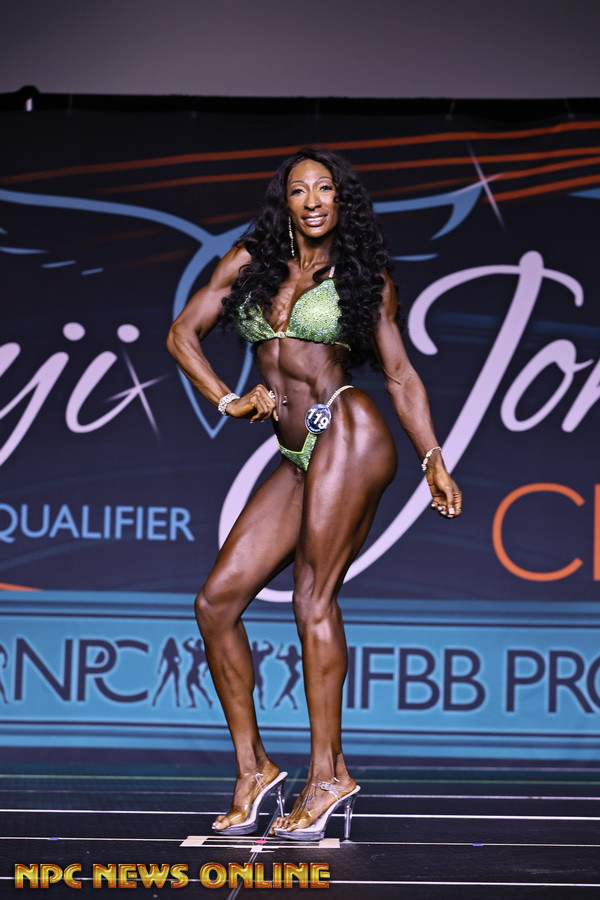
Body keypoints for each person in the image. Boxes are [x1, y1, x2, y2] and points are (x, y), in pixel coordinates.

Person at [166, 146, 462, 841]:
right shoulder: (250, 262)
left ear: (341, 198)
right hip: (296, 454)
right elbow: (182, 334)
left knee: (312, 598)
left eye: (324, 188)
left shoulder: (363, 276)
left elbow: (399, 374)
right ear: (286, 202)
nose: (313, 201)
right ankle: (255, 770)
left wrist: (434, 459)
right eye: (299, 190)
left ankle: (328, 774)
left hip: (349, 428)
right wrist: (228, 399)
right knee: (215, 603)